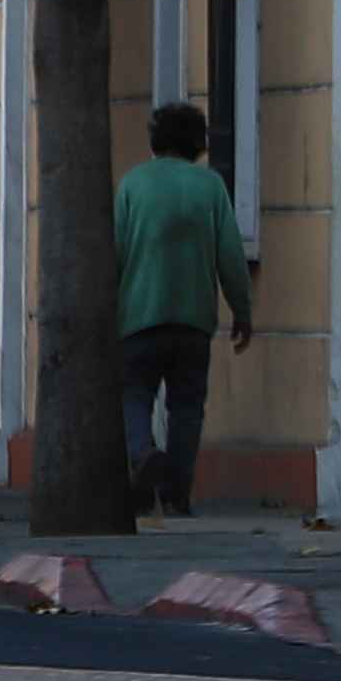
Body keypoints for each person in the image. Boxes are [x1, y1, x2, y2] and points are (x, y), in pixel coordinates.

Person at [112, 100, 253, 517]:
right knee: (187, 406)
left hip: (138, 316)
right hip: (193, 320)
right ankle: (177, 493)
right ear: (198, 144)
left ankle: (141, 452)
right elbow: (230, 254)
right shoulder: (210, 187)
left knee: (132, 394)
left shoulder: (133, 184)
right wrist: (242, 311)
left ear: (155, 140)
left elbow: (115, 254)